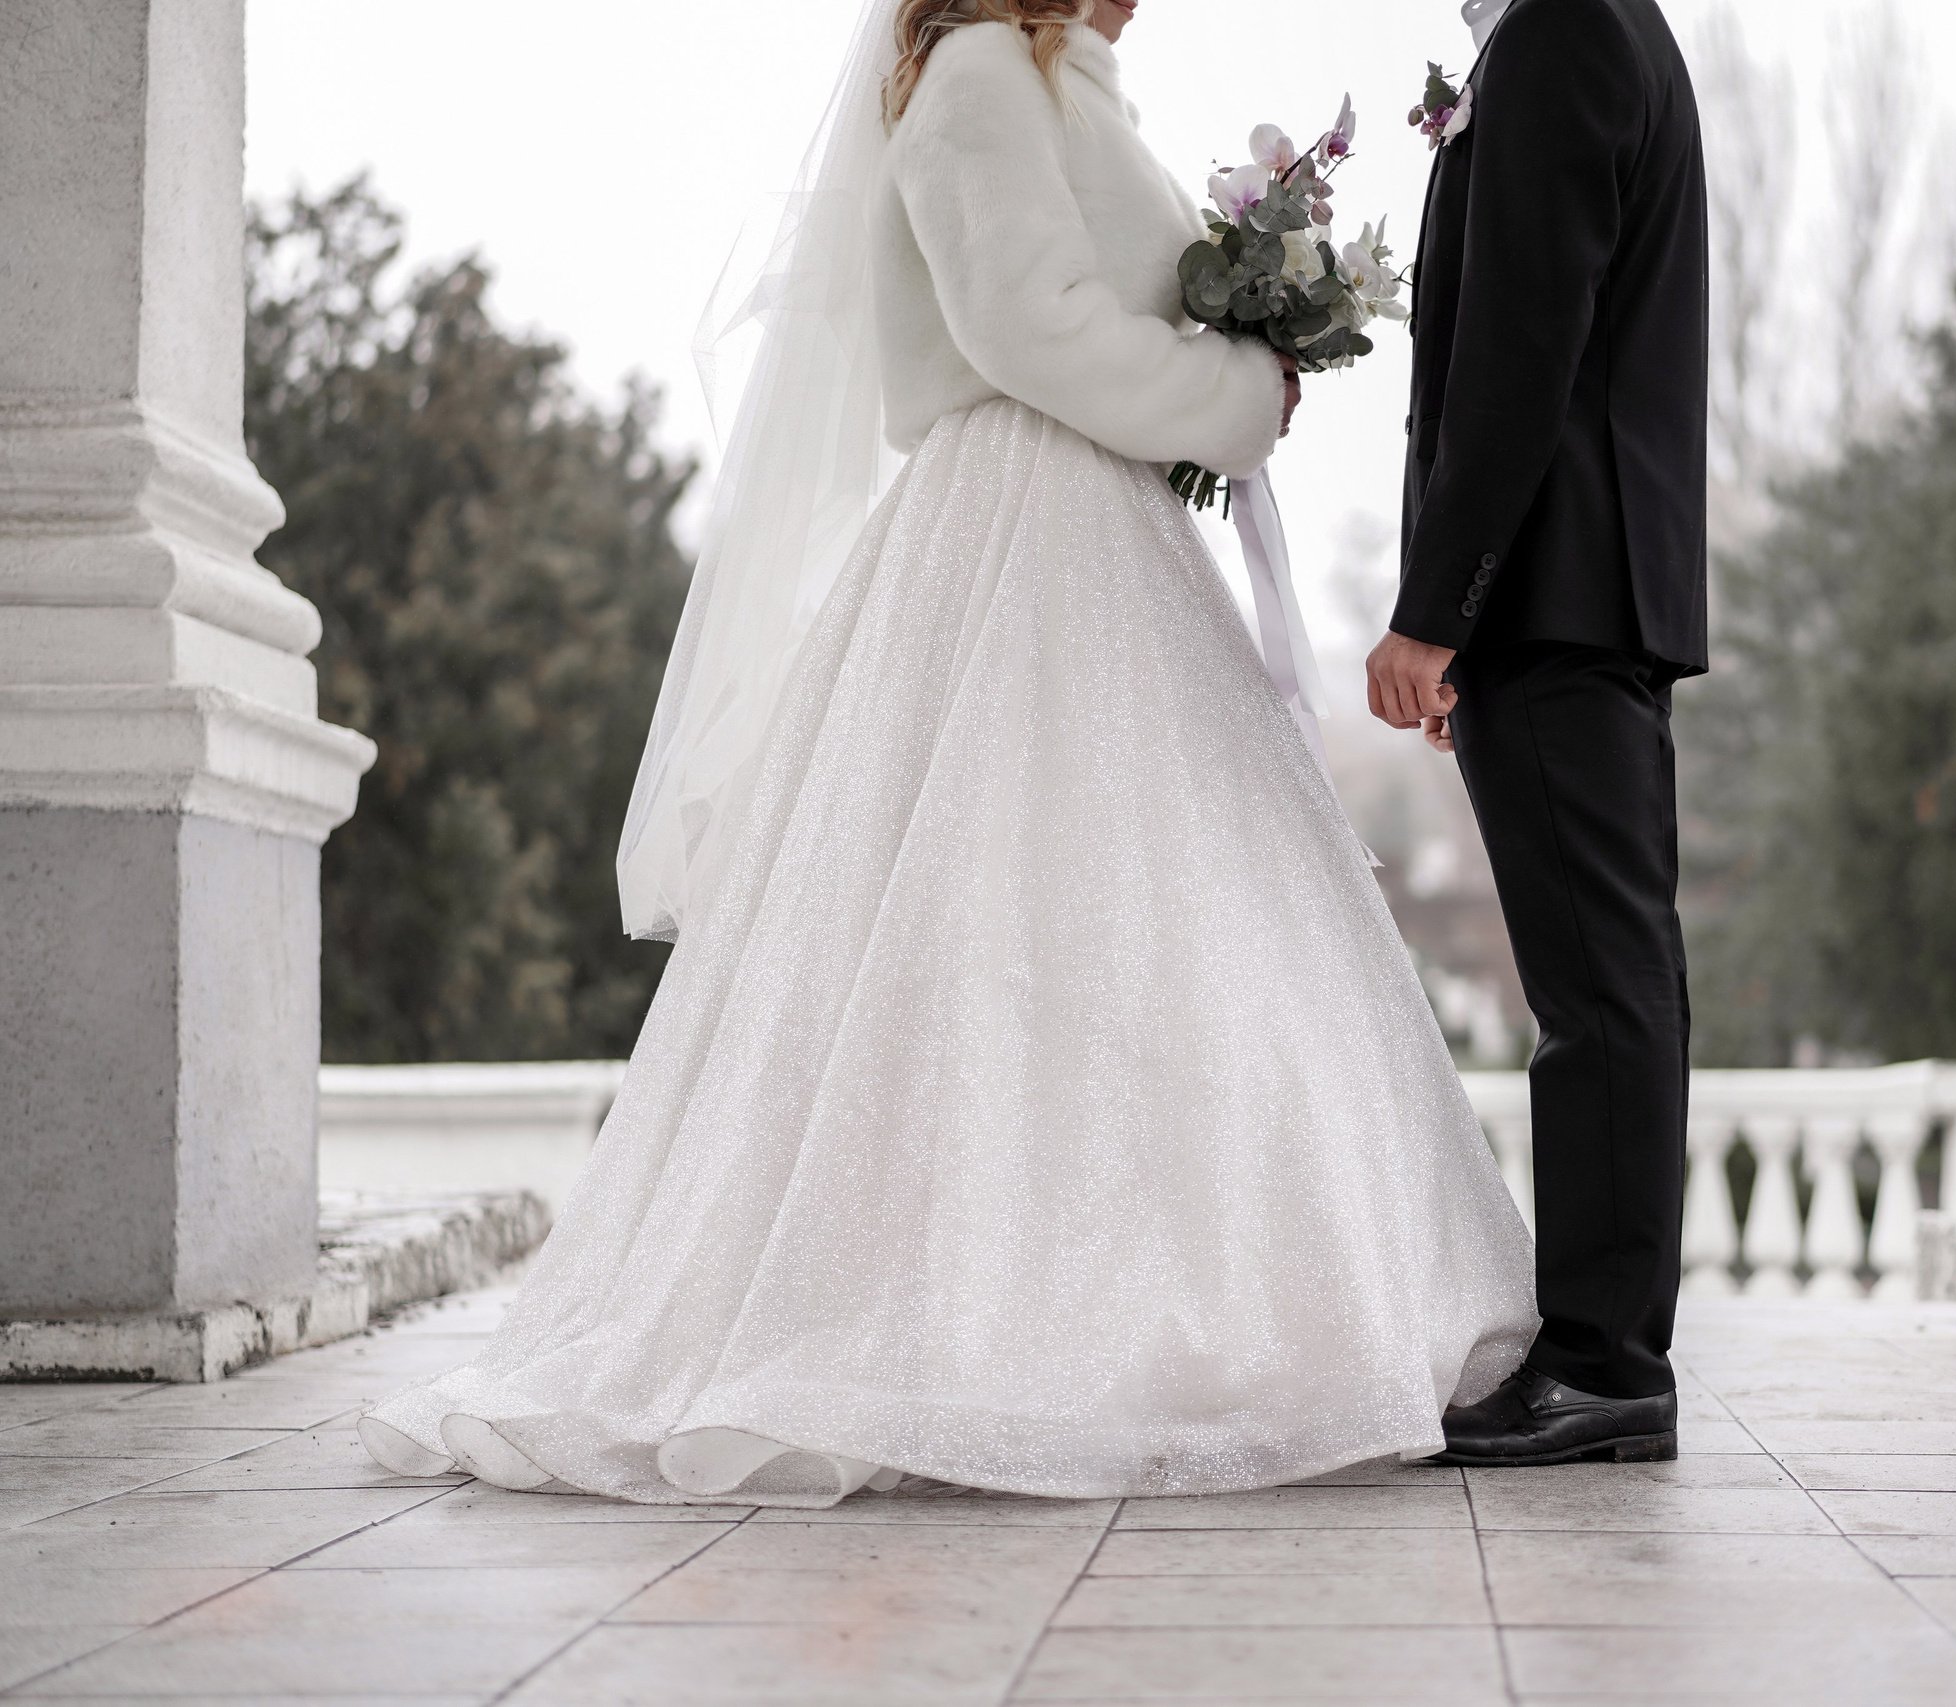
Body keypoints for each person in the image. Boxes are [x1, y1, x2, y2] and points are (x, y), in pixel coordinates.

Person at [357, 0, 1535, 1507]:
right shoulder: (979, 75)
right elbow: (1023, 322)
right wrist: (1234, 397)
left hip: (1108, 535)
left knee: (1167, 927)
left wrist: (1241, 354)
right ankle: (992, 1332)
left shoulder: (1069, 82)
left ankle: (1238, 1307)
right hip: (1018, 537)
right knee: (996, 913)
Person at [1366, 0, 1707, 1466]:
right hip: (1578, 593)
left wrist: (1438, 612)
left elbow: (1519, 348)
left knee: (1601, 996)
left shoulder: (1566, 25)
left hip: (1562, 592)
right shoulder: (1603, 21)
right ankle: (1606, 1350)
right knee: (1612, 983)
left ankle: (1606, 1361)